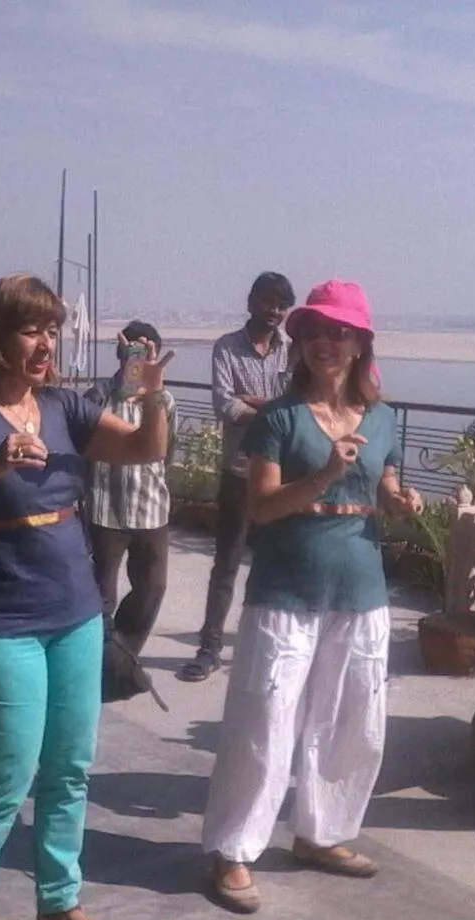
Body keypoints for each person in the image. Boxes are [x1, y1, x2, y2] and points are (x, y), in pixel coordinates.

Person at [0, 273, 172, 920]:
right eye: (32, 329)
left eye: (51, 329)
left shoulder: (65, 407)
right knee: (4, 778)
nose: (45, 343)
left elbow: (147, 450)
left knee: (68, 771)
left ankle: (59, 905)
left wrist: (153, 400)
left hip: (76, 618)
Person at [200, 279, 423, 913]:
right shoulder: (277, 417)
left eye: (339, 331)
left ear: (359, 343)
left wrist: (402, 502)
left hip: (361, 590)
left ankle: (322, 834)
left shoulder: (382, 419)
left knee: (352, 721)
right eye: (315, 331)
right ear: (300, 342)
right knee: (263, 724)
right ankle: (234, 851)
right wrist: (324, 473)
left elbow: (386, 487)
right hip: (285, 592)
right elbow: (262, 508)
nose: (326, 341)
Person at [179, 271, 295, 683]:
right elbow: (224, 408)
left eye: (281, 305)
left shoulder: (292, 352)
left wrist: (257, 405)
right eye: (268, 302)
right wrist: (274, 409)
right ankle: (209, 649)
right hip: (239, 473)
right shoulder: (227, 348)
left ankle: (264, 649)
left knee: (276, 566)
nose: (274, 311)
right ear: (251, 302)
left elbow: (298, 408)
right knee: (226, 566)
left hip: (281, 477)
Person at [83, 320, 178, 704]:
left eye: (146, 350)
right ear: (120, 350)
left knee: (152, 588)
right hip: (106, 508)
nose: (139, 356)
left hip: (151, 508)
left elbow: (165, 453)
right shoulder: (97, 396)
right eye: (132, 349)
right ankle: (102, 666)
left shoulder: (164, 401)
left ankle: (119, 661)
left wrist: (149, 385)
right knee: (101, 596)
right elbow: (84, 446)